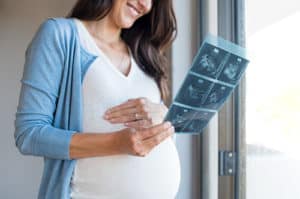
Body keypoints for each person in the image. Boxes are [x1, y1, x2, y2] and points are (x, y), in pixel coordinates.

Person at [14, 0, 181, 198]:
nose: (145, 4)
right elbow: (29, 134)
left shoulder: (144, 55)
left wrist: (164, 117)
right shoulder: (62, 35)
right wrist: (116, 143)